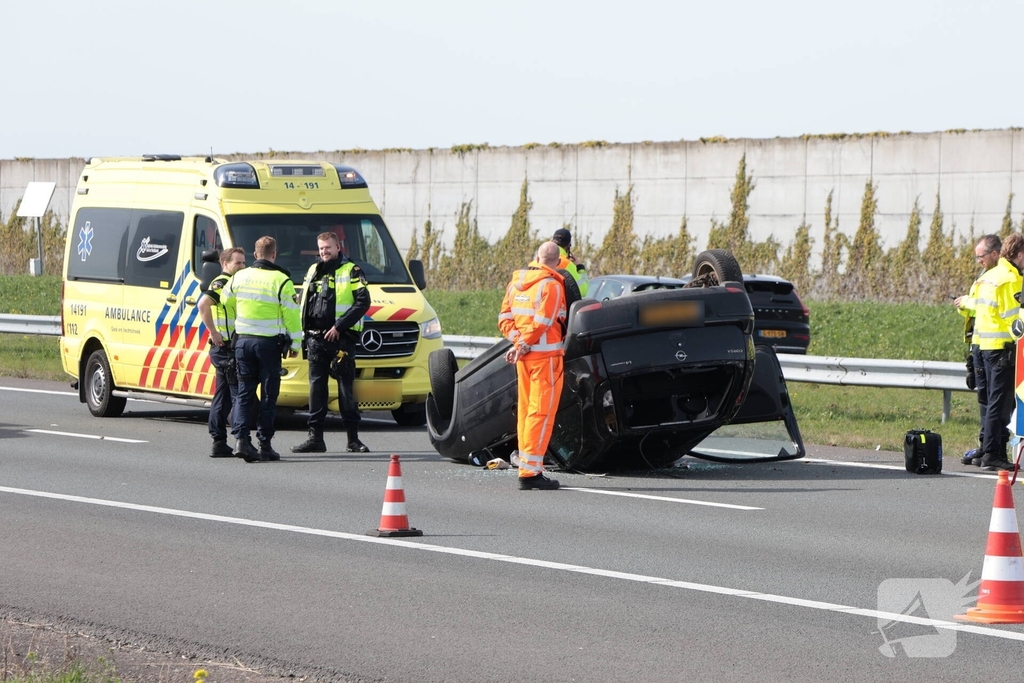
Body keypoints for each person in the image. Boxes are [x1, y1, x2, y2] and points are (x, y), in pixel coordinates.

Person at [219, 236, 302, 463]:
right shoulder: (282, 280)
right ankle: (264, 444)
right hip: (268, 345)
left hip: (243, 343)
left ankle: (241, 441)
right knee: (268, 395)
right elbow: (292, 316)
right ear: (274, 255)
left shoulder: (239, 277)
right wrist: (296, 344)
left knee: (245, 393)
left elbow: (226, 302)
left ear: (255, 255)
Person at [291, 231, 371, 454]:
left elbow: (363, 302)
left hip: (341, 341)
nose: (324, 252)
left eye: (328, 247)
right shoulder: (313, 270)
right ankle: (315, 439)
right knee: (316, 390)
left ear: (338, 247)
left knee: (346, 391)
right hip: (315, 340)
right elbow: (304, 303)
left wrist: (339, 327)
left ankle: (353, 440)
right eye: (321, 248)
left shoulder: (351, 271)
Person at [498, 241, 567, 490]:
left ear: (536, 257)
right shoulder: (551, 285)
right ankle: (531, 472)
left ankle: (527, 465)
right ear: (558, 262)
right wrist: (523, 344)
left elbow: (504, 318)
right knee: (541, 413)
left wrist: (518, 342)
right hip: (545, 360)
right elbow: (543, 322)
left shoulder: (516, 284)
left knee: (527, 412)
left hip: (525, 360)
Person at [960, 234, 1022, 471]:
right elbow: (1012, 319)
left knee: (989, 403)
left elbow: (976, 310)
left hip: (982, 347)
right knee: (1000, 403)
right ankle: (992, 454)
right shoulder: (1009, 278)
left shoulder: (988, 277)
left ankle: (987, 451)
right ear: (1018, 254)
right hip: (1000, 349)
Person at [954, 235, 1000, 465]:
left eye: (981, 256)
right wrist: (963, 305)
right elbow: (977, 310)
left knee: (995, 402)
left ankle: (993, 449)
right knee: (984, 399)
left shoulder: (999, 277)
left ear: (994, 254)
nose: (978, 261)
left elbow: (983, 306)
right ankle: (986, 447)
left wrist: (967, 302)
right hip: (979, 345)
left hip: (995, 348)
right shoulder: (983, 277)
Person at [197, 247, 246, 458]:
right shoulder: (222, 283)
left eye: (244, 263)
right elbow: (203, 304)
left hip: (225, 347)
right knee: (237, 395)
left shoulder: (233, 282)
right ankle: (240, 440)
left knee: (223, 395)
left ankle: (219, 441)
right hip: (226, 347)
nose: (243, 266)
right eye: (238, 263)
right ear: (225, 264)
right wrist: (214, 333)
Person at [551, 227, 589, 297]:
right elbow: (583, 291)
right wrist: (580, 267)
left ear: (551, 241)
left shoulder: (540, 259)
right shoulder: (567, 264)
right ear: (568, 245)